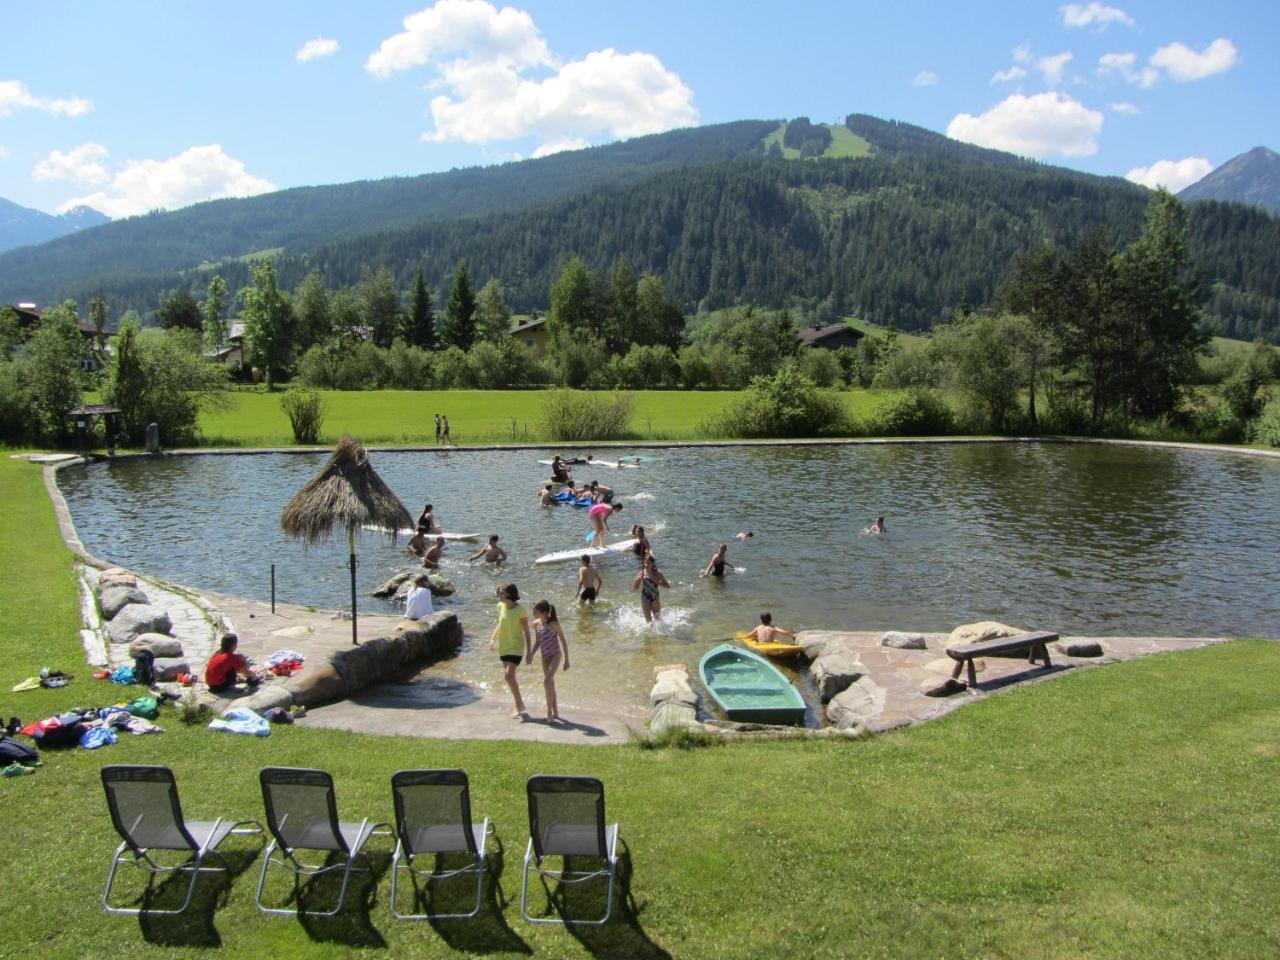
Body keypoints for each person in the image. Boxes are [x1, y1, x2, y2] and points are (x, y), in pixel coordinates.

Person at [488, 583, 531, 719]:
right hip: (504, 647)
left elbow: (527, 632)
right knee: (511, 678)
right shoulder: (500, 607)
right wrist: (492, 639)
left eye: (502, 593)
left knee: (508, 676)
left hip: (516, 647)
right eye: (499, 593)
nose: (499, 595)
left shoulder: (520, 610)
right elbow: (500, 624)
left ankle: (519, 705)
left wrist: (529, 652)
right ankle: (519, 704)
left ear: (510, 594)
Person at [530, 600, 570, 722]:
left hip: (555, 655)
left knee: (546, 681)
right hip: (545, 656)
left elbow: (563, 641)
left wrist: (567, 660)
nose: (533, 612)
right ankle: (555, 711)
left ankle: (549, 713)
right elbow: (538, 642)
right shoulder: (536, 624)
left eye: (535, 611)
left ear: (544, 612)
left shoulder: (554, 624)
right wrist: (530, 654)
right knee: (550, 684)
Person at [631, 554, 670, 623]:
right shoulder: (641, 573)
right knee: (648, 621)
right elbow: (635, 589)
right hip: (644, 597)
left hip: (655, 597)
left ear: (652, 564)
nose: (646, 565)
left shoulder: (657, 573)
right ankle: (650, 633)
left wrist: (656, 581)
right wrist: (636, 582)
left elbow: (667, 586)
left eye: (649, 563)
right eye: (645, 562)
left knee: (658, 619)